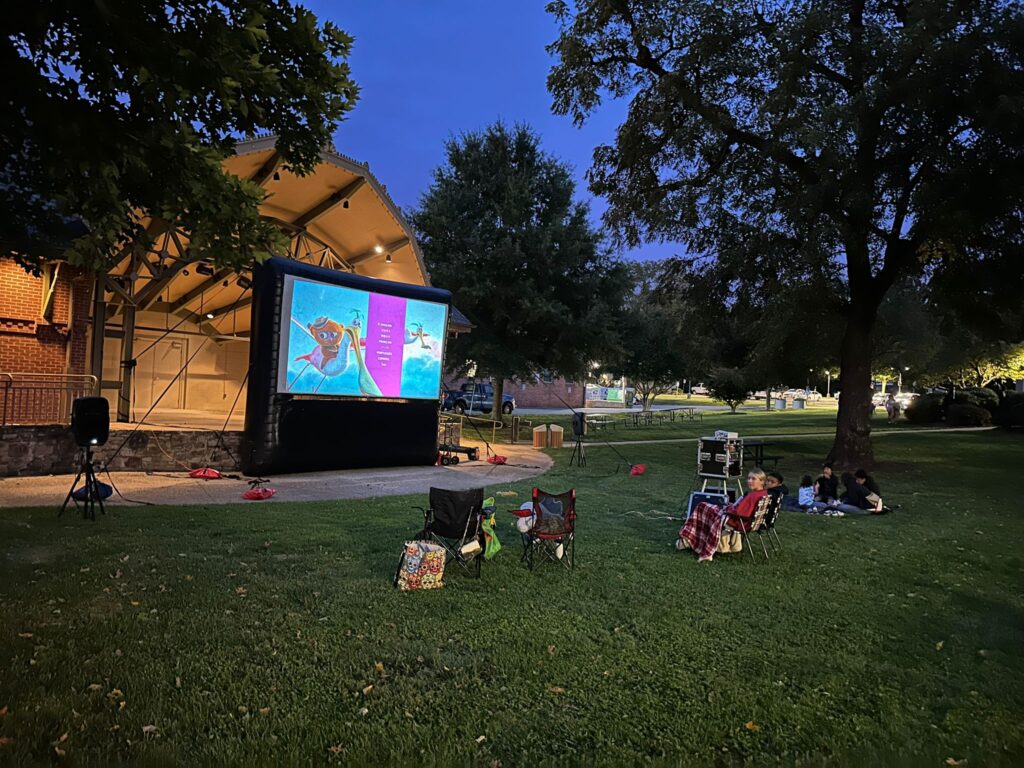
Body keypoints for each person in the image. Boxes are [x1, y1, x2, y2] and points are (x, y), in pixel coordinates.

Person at [677, 469, 769, 561]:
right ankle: (690, 539)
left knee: (701, 507)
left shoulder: (752, 496)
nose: (749, 481)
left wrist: (728, 509)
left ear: (762, 481)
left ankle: (690, 539)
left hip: (737, 521)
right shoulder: (764, 493)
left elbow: (738, 513)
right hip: (748, 522)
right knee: (705, 508)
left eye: (753, 479)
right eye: (749, 478)